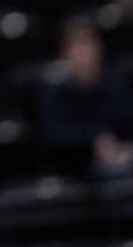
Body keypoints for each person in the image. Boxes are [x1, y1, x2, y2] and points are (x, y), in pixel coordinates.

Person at [37, 13, 133, 179]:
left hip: (119, 164)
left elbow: (127, 123)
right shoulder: (52, 92)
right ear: (64, 53)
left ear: (99, 49)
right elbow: (52, 135)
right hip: (73, 169)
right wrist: (93, 141)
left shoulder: (114, 85)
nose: (83, 53)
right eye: (76, 46)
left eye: (87, 45)